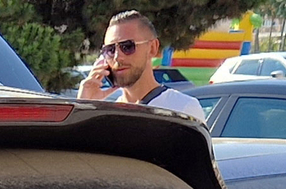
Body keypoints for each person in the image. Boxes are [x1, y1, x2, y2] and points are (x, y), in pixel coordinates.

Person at [74, 11, 208, 124]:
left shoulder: (183, 109)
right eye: (110, 50)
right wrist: (85, 108)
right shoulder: (106, 114)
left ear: (152, 48)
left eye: (127, 46)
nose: (117, 57)